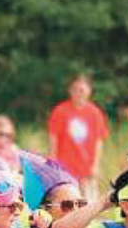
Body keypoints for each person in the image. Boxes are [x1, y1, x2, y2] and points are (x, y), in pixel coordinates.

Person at [47, 74, 109, 202]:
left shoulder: (95, 113)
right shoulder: (60, 111)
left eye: (82, 90)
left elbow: (98, 141)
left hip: (87, 168)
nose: (78, 93)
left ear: (89, 91)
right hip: (65, 168)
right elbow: (53, 139)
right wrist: (53, 163)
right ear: (70, 91)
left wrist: (95, 165)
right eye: (75, 89)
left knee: (89, 204)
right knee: (67, 204)